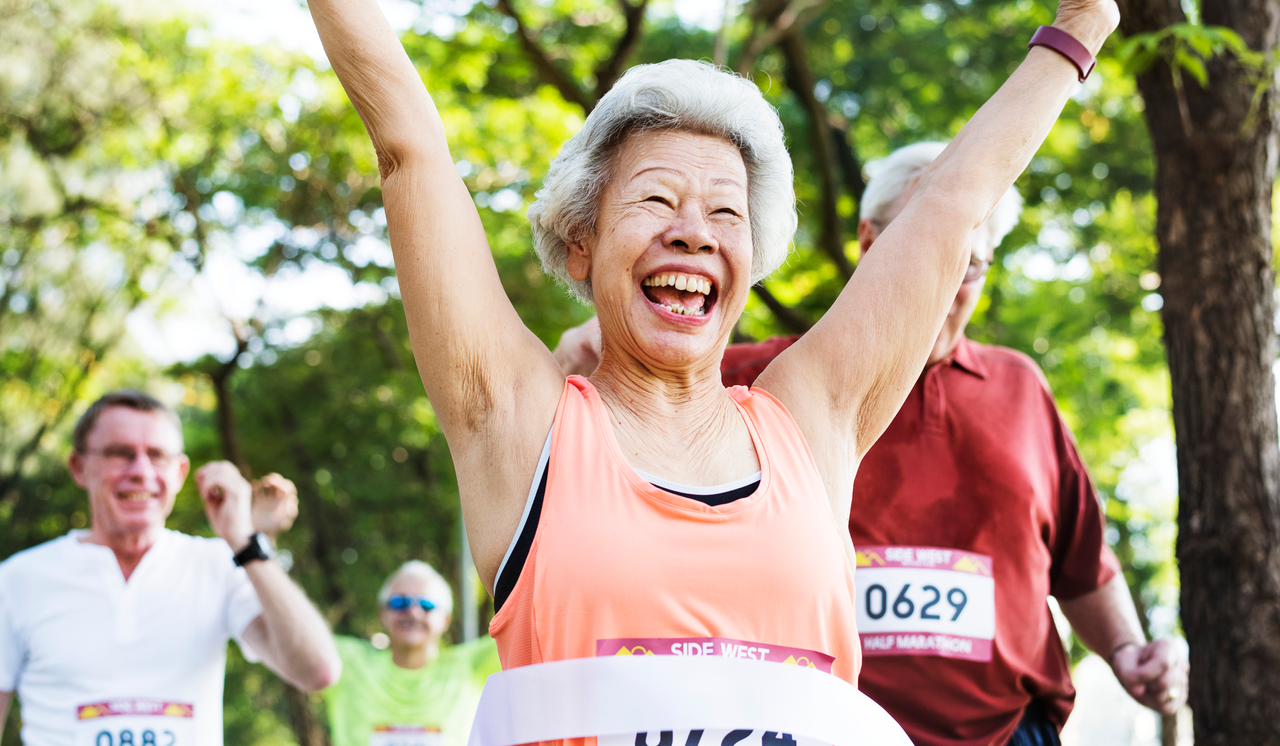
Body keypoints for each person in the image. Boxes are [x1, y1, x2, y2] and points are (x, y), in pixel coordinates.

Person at [305, 0, 1119, 739]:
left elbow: (950, 205)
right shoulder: (519, 423)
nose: (693, 233)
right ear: (581, 242)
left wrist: (1075, 32)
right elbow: (408, 144)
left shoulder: (809, 421)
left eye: (725, 213)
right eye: (657, 201)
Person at [556, 142, 1190, 746]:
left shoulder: (1021, 388)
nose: (943, 280)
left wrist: (1130, 652)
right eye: (922, 250)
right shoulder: (758, 382)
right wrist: (616, 338)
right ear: (869, 245)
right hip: (820, 727)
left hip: (1009, 731)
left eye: (965, 263)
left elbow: (1082, 563)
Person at [0, 390, 341, 745]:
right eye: (120, 454)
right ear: (78, 467)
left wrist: (244, 540)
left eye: (157, 456)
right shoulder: (16, 580)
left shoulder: (220, 565)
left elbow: (317, 671)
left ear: (180, 472)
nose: (141, 472)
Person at [322, 560, 500, 746]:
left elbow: (528, 618)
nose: (413, 612)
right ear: (382, 613)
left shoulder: (472, 665)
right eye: (400, 602)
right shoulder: (349, 663)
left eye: (427, 605)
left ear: (445, 618)